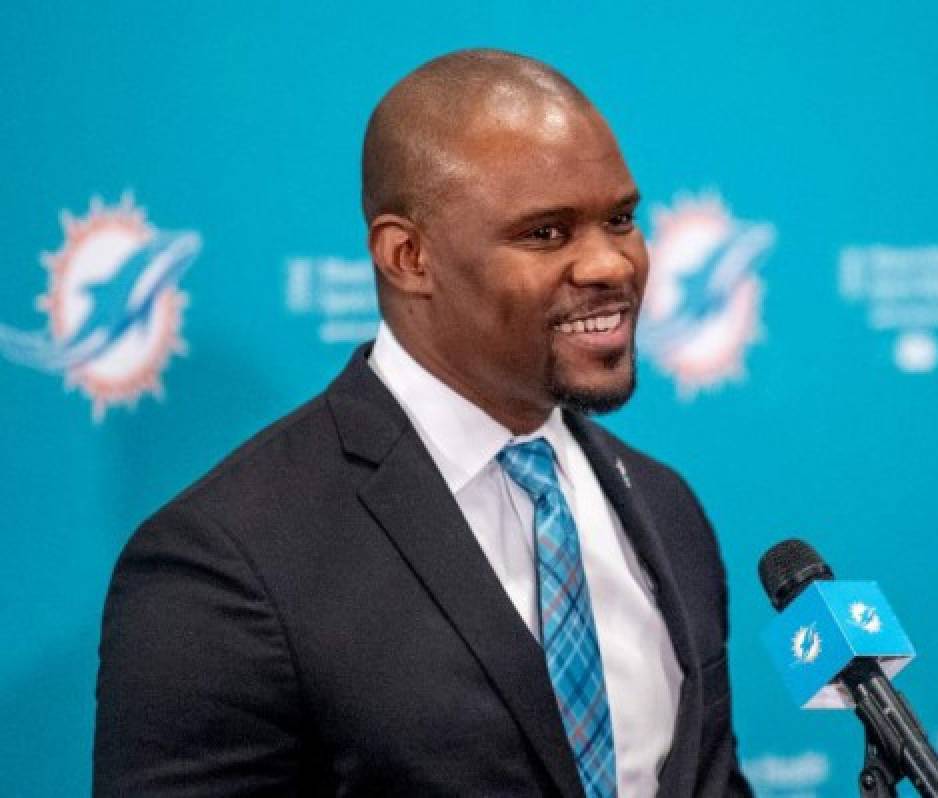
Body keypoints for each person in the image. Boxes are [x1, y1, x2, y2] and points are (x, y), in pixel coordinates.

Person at [94, 48, 752, 797]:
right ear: (407, 256)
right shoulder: (225, 563)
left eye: (621, 219)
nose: (611, 264)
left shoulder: (666, 509)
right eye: (546, 233)